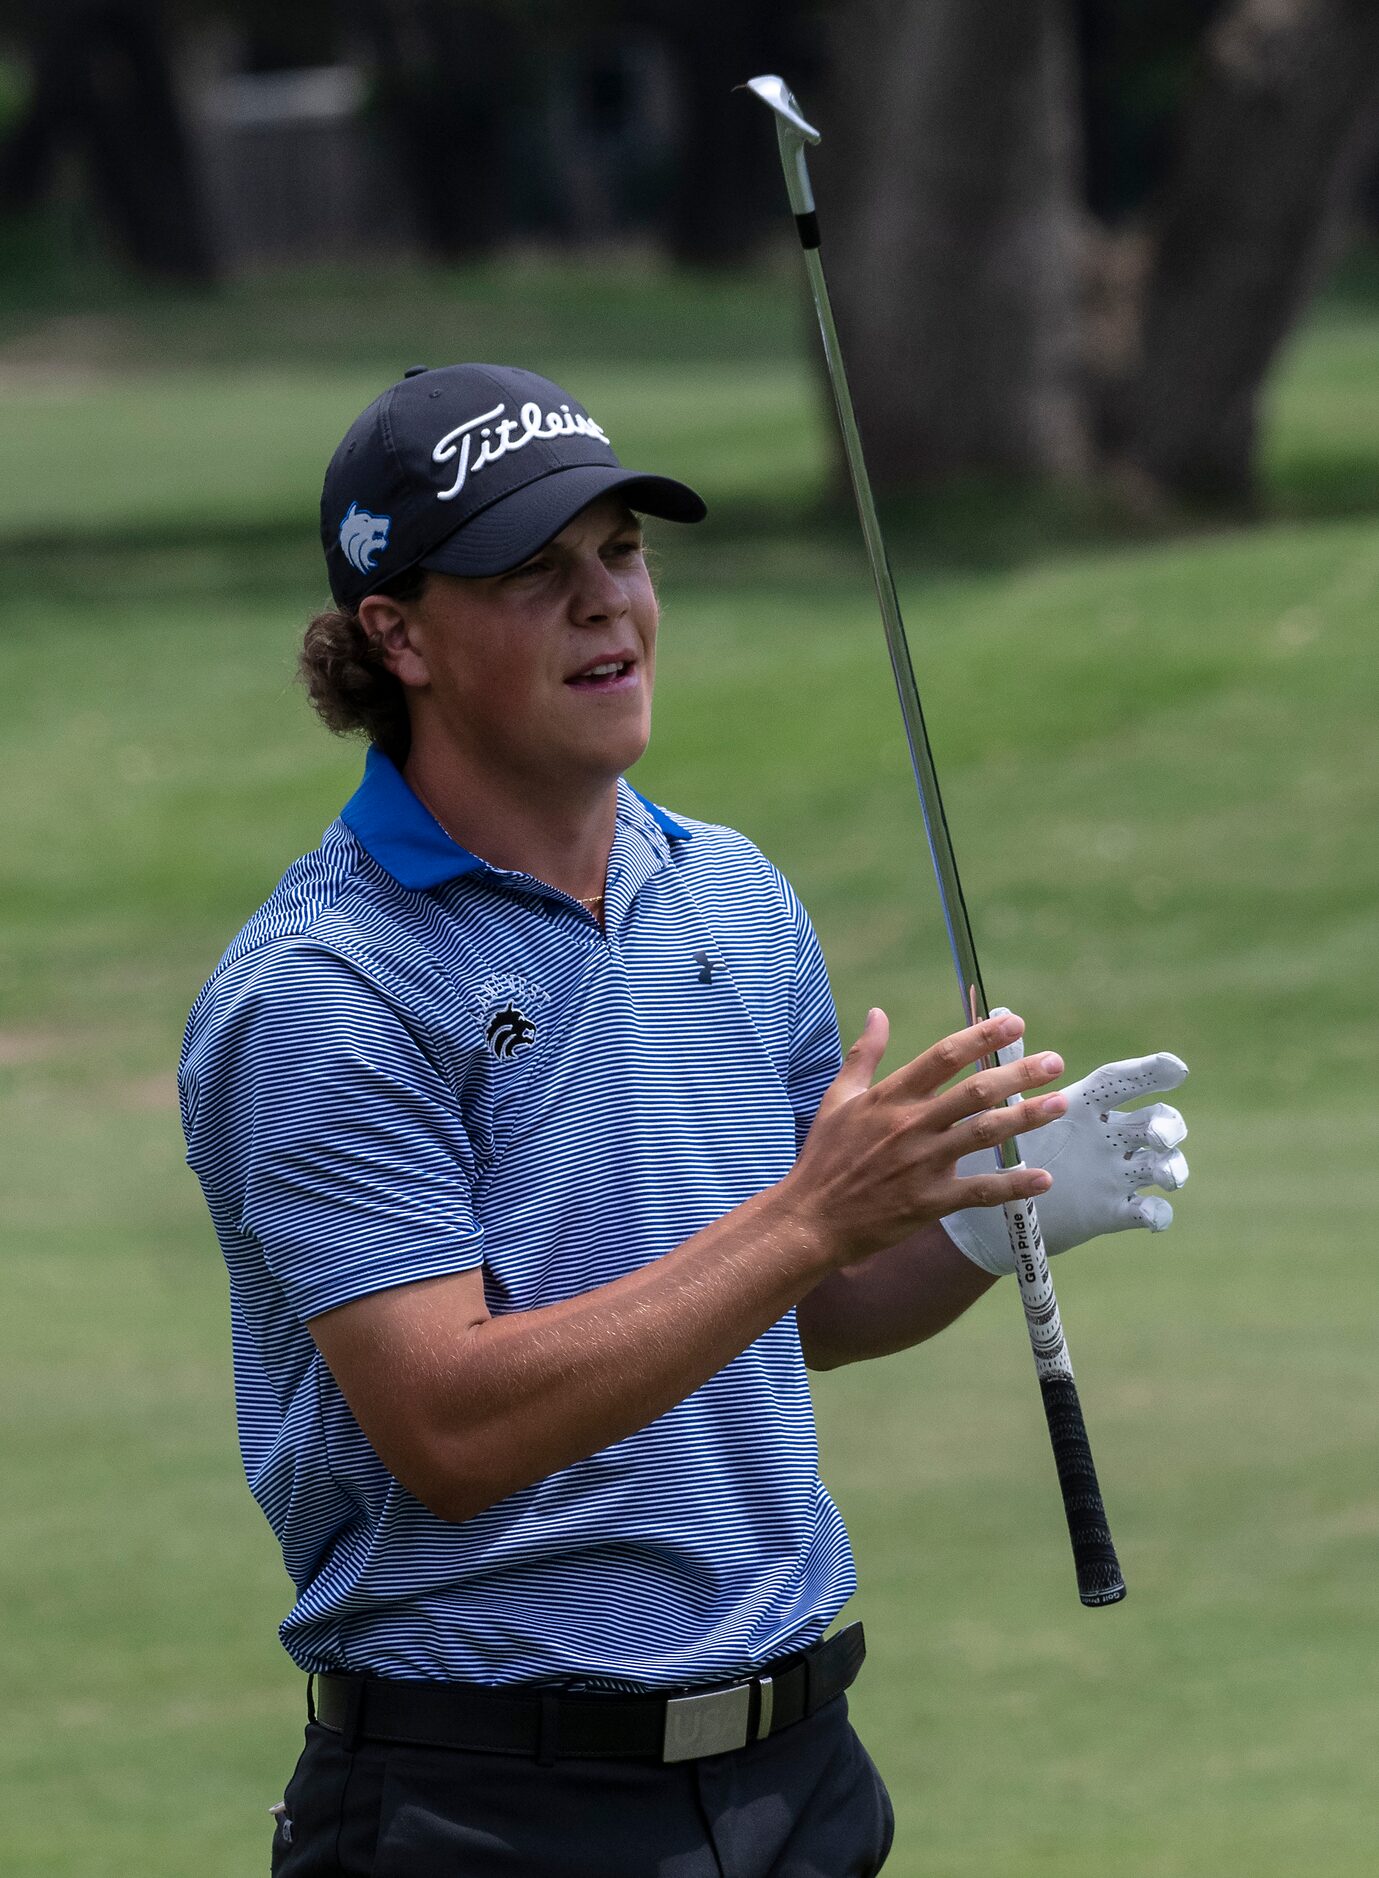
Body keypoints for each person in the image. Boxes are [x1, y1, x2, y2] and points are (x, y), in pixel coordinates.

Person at [179, 363, 1190, 1877]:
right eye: (535, 573)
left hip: (797, 1778)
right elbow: (450, 1425)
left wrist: (978, 1229)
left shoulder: (729, 890)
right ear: (398, 634)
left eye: (624, 555)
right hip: (489, 1805)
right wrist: (811, 1213)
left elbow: (809, 1305)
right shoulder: (327, 986)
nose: (609, 607)